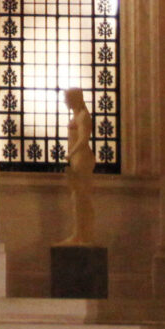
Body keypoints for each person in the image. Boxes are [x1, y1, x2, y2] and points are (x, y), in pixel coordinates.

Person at [61, 86, 97, 247]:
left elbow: (83, 139)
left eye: (67, 98)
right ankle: (78, 234)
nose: (65, 101)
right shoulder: (77, 115)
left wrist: (71, 153)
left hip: (82, 158)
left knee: (82, 198)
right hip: (76, 159)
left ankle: (84, 235)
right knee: (76, 198)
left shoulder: (83, 116)